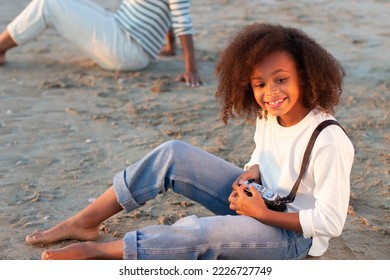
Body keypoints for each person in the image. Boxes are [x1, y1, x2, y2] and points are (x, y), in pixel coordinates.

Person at [25, 23, 354, 260]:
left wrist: (262, 214)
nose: (271, 93)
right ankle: (85, 221)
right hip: (256, 202)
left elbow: (330, 222)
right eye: (259, 84)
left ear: (305, 75)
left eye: (281, 79)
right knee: (173, 154)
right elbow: (264, 151)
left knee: (202, 231)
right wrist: (253, 168)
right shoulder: (268, 114)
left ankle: (102, 252)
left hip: (292, 236)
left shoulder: (329, 141)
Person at [0, 0, 202, 87]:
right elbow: (167, 12)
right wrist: (170, 46)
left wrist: (191, 69)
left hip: (127, 49)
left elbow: (182, 21)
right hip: (121, 29)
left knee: (48, 4)